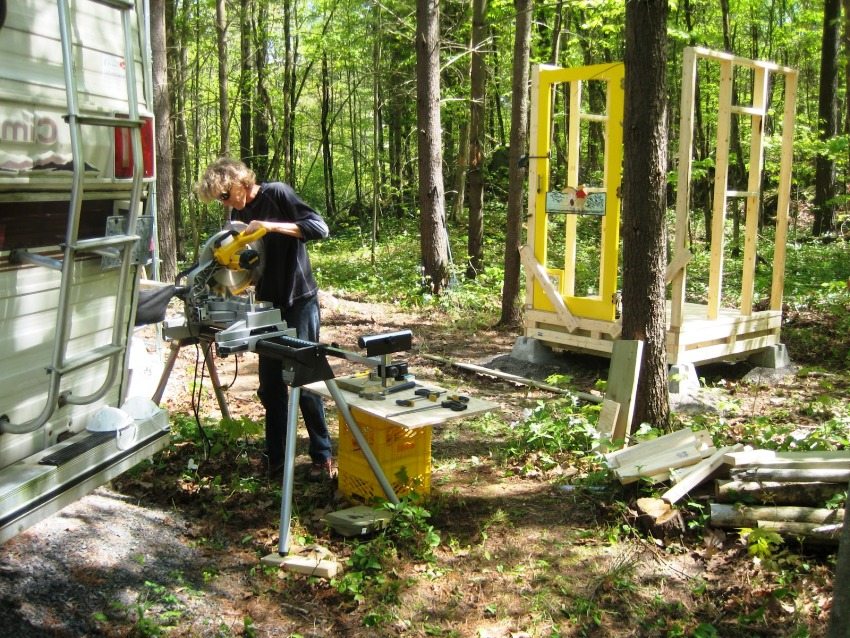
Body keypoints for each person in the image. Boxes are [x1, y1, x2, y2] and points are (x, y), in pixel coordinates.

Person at [195, 158, 334, 481]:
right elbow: (247, 262)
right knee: (271, 386)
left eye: (225, 195)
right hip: (267, 303)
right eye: (221, 199)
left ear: (241, 182)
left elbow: (319, 228)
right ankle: (277, 459)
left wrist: (271, 226)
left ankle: (321, 456)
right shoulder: (237, 214)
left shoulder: (278, 194)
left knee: (306, 379)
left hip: (299, 300)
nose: (225, 203)